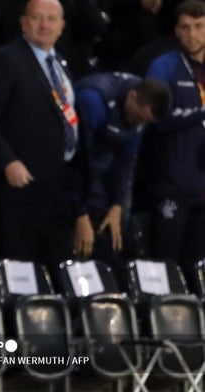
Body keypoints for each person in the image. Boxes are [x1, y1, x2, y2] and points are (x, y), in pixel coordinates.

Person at [0, 0, 77, 270]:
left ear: (62, 26)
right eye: (37, 17)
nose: (44, 25)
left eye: (51, 19)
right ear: (23, 22)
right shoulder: (6, 59)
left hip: (55, 189)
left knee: (57, 273)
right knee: (21, 274)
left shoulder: (60, 63)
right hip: (18, 193)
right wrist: (7, 161)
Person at [70, 73, 171, 270]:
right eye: (139, 117)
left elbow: (126, 163)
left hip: (101, 175)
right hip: (72, 174)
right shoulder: (93, 101)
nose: (139, 124)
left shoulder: (139, 117)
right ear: (133, 97)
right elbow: (76, 160)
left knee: (112, 241)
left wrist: (117, 207)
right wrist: (80, 215)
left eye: (145, 122)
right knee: (81, 241)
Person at [144, 0, 205, 271]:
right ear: (177, 30)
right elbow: (155, 119)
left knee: (199, 267)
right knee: (166, 264)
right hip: (172, 185)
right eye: (185, 27)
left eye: (199, 26)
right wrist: (199, 113)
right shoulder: (163, 66)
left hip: (203, 186)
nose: (192, 34)